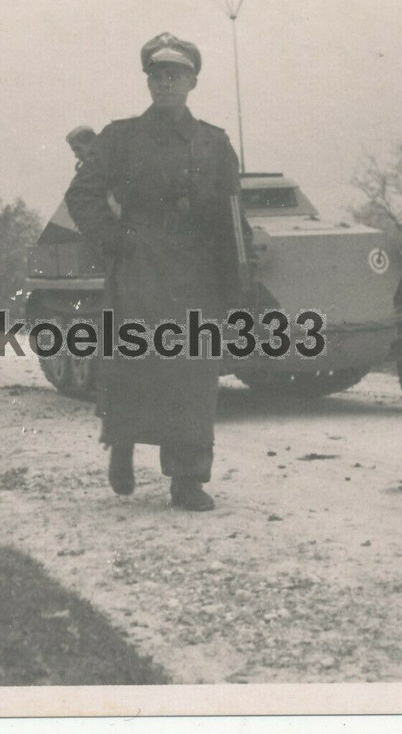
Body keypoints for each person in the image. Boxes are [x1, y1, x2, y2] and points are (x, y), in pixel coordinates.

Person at [64, 32, 250, 511]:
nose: (165, 83)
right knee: (134, 365)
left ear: (192, 81)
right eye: (157, 75)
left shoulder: (213, 142)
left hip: (195, 270)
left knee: (192, 374)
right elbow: (83, 194)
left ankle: (188, 479)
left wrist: (237, 279)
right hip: (140, 265)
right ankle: (122, 447)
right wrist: (116, 241)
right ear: (148, 81)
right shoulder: (120, 136)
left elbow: (232, 215)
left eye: (175, 75)